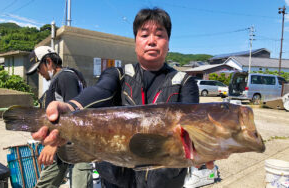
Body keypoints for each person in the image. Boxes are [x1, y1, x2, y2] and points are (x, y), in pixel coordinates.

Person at [31, 8, 214, 188]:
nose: (152, 41)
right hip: (116, 180)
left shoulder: (185, 82)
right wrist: (71, 106)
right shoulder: (117, 75)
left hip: (166, 181)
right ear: (135, 42)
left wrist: (203, 147)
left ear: (168, 43)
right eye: (144, 35)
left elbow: (193, 126)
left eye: (159, 35)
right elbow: (100, 91)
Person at [26, 46, 93, 188]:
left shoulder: (66, 77)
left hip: (78, 148)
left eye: (39, 68)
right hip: (62, 146)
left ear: (49, 62)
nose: (39, 73)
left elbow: (74, 117)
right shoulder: (59, 80)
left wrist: (53, 144)